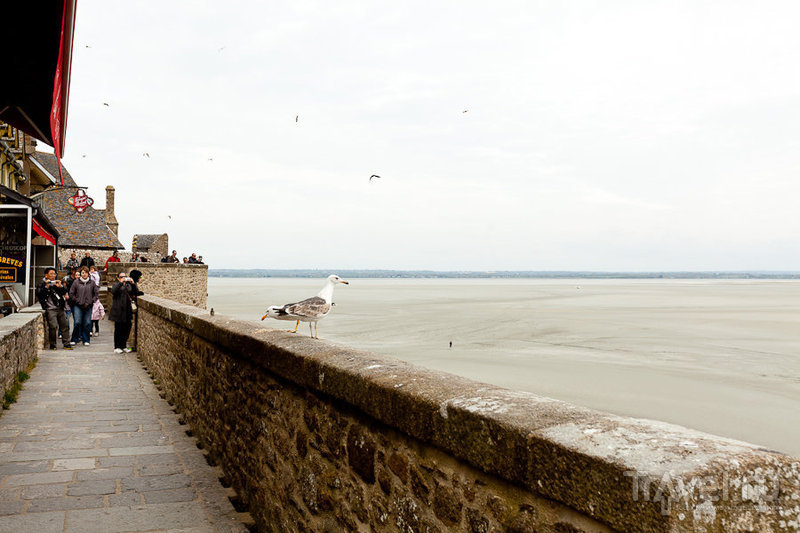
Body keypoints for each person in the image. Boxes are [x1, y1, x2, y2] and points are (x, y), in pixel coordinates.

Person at [36, 268, 72, 350]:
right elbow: (40, 295)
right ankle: (52, 344)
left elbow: (64, 292)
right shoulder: (42, 284)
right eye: (51, 274)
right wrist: (47, 287)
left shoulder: (56, 283)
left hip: (60, 307)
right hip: (50, 308)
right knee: (53, 326)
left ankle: (66, 343)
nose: (53, 276)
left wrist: (60, 287)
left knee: (64, 325)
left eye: (54, 274)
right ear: (46, 275)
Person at [109, 271, 142, 353]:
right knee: (118, 329)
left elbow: (135, 292)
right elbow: (113, 291)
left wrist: (133, 284)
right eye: (121, 277)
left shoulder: (128, 285)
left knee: (127, 328)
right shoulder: (116, 285)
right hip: (118, 310)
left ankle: (123, 345)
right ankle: (117, 346)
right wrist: (120, 282)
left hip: (127, 310)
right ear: (118, 278)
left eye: (124, 276)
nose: (123, 278)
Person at [69, 267, 99, 346]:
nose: (84, 274)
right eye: (82, 273)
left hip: (88, 305)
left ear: (88, 273)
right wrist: (77, 301)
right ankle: (74, 338)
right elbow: (71, 294)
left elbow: (96, 294)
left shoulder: (92, 283)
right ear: (80, 274)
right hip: (78, 305)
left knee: (88, 323)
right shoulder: (76, 282)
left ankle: (86, 339)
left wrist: (92, 301)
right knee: (77, 322)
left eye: (85, 272)